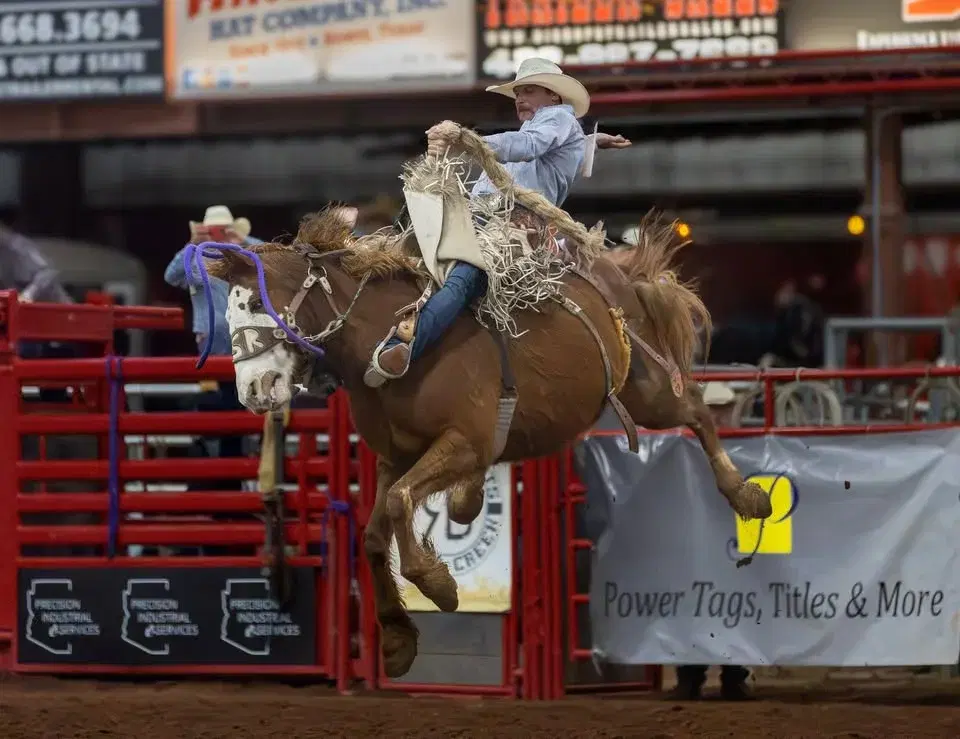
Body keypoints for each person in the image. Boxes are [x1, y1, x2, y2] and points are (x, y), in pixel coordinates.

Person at [364, 57, 632, 387]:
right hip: (485, 219)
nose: (520, 98)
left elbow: (532, 144)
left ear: (553, 96)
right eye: (518, 93)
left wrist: (468, 139)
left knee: (464, 275)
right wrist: (592, 141)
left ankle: (405, 347)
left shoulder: (558, 118)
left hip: (509, 228)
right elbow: (554, 146)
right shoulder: (555, 125)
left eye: (528, 91)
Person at [165, 206, 263, 492]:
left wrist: (239, 241)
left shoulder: (244, 254)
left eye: (222, 230)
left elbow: (272, 258)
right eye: (214, 231)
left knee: (235, 406)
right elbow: (171, 276)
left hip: (244, 345)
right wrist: (192, 243)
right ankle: (220, 473)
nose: (218, 236)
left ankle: (228, 475)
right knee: (221, 406)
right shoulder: (195, 258)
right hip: (213, 349)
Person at [670, 379, 752, 701]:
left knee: (734, 605)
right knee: (697, 604)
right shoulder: (688, 446)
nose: (719, 416)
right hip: (705, 538)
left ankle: (732, 676)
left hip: (729, 538)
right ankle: (692, 677)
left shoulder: (745, 446)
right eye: (714, 409)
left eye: (724, 409)